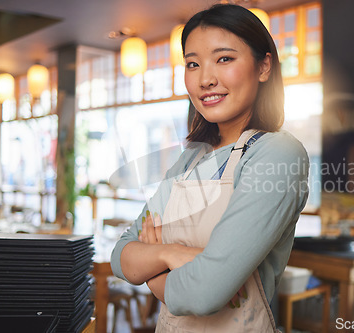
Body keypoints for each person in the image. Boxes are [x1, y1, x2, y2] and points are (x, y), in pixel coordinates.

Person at [111, 4, 309, 332]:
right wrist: (172, 255)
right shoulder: (191, 158)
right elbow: (121, 255)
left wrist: (152, 268)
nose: (205, 79)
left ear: (264, 66)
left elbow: (204, 293)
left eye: (224, 59)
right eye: (193, 64)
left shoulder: (277, 154)